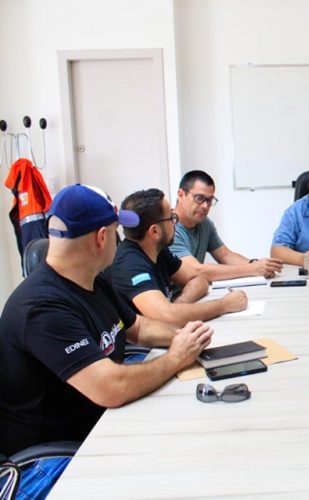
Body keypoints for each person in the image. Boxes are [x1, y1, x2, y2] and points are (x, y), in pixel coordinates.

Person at [0, 184, 214, 498]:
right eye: (116, 231)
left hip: (99, 424)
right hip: (47, 462)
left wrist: (185, 338)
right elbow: (110, 387)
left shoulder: (91, 281)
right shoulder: (42, 308)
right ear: (102, 237)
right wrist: (175, 358)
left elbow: (137, 327)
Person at [107, 188, 248, 324]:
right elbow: (166, 317)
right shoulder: (130, 265)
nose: (175, 222)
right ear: (154, 231)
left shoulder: (158, 250)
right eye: (171, 217)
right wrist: (224, 305)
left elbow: (198, 280)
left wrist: (179, 305)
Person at [170, 170, 283, 280]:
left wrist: (258, 265)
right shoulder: (169, 229)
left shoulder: (204, 223)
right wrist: (252, 269)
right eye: (199, 198)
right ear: (181, 195)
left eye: (209, 200)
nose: (205, 206)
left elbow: (225, 255)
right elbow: (196, 271)